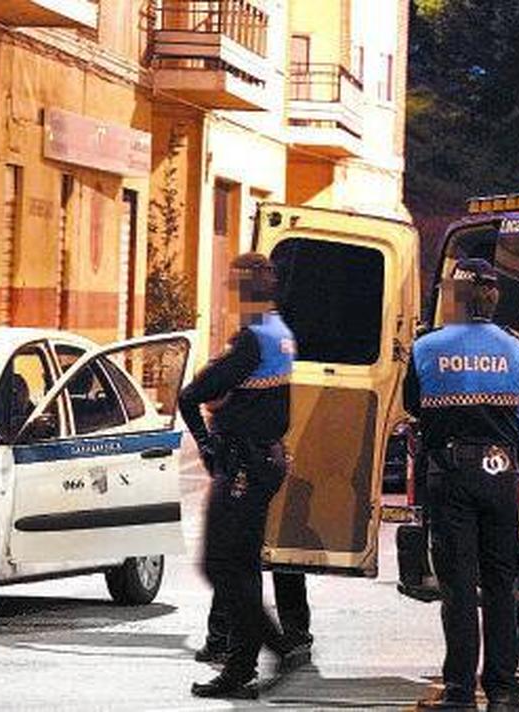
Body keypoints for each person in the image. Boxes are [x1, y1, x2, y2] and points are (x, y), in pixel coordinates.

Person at [179, 253, 309, 699]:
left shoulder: (252, 339)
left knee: (220, 564)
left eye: (235, 285)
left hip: (244, 465)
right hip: (265, 460)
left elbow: (192, 394)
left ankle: (268, 650)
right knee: (243, 565)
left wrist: (208, 443)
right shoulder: (281, 332)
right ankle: (242, 668)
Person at [405, 257, 519, 712]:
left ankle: (459, 692)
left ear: (456, 296)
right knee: (501, 585)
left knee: (459, 589)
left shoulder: (428, 347)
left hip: (452, 474)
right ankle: (504, 691)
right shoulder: (516, 347)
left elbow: (413, 404)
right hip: (502, 474)